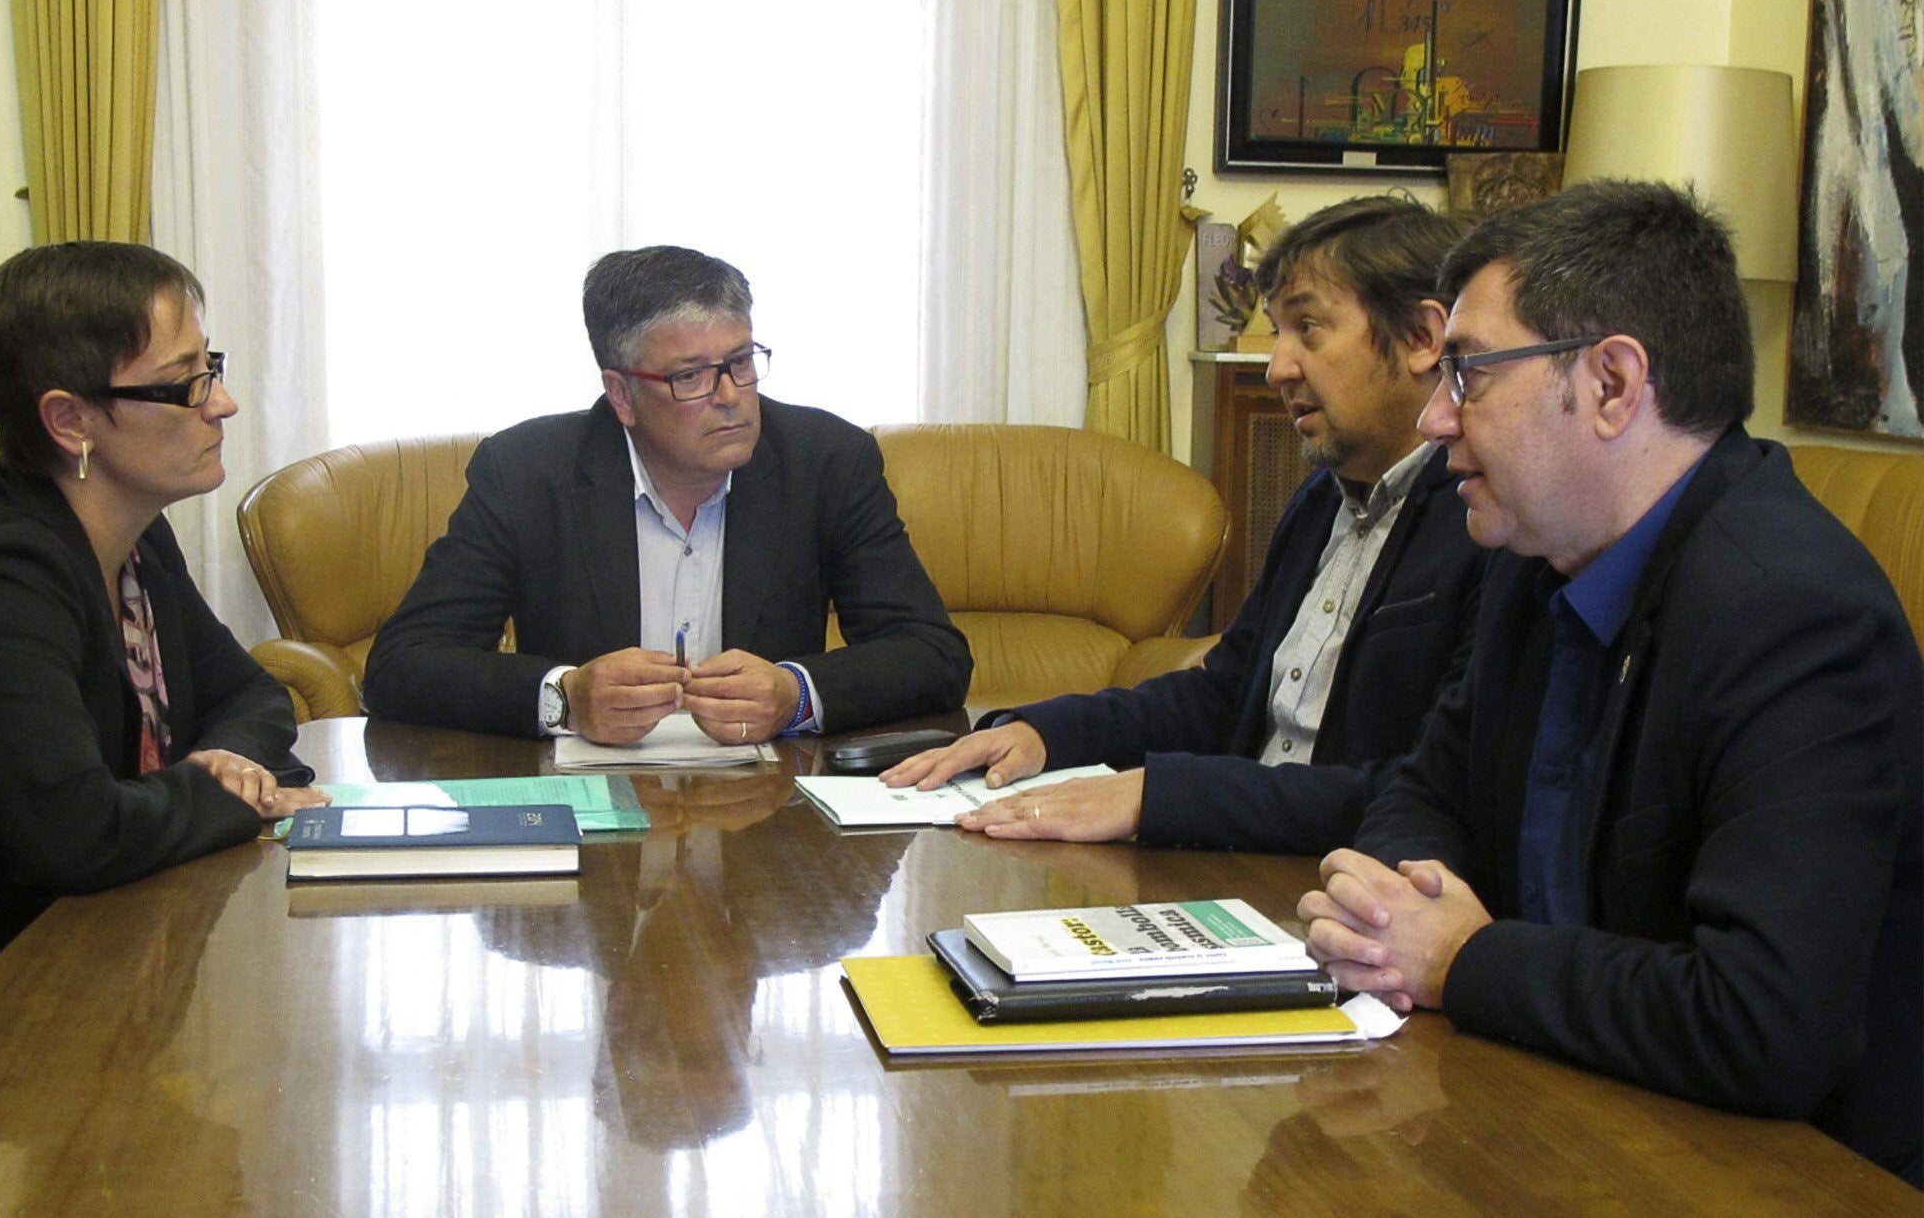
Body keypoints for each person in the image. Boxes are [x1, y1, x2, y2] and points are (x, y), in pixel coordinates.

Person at [1298, 181, 1923, 1186]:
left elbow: (1763, 1022)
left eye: (1466, 375)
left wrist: (1457, 959)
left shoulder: (1790, 616)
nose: (1429, 419)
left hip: (1777, 1172)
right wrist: (1400, 909)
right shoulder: (1530, 557)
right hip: (1555, 1105)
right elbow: (1422, 787)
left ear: (1610, 384)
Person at [882, 197, 1487, 854]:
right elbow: (1224, 694)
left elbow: (1430, 796)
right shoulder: (1321, 501)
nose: (1277, 367)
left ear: (1424, 338)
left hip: (1347, 888)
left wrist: (1158, 794)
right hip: (1239, 861)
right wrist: (1045, 732)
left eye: (1308, 328)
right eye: (1278, 333)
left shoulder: (1487, 521)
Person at [0, 242, 325, 996]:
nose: (222, 402)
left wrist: (219, 769)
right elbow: (79, 834)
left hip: (94, 957)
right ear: (69, 418)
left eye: (209, 367)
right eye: (185, 384)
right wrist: (230, 792)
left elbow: (253, 696)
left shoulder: (137, 533)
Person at [363, 245, 970, 743]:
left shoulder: (825, 460)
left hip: (769, 819)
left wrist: (796, 692)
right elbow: (402, 666)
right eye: (690, 376)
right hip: (593, 825)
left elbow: (933, 655)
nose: (730, 394)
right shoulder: (526, 472)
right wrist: (565, 697)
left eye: (740, 361)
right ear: (621, 395)